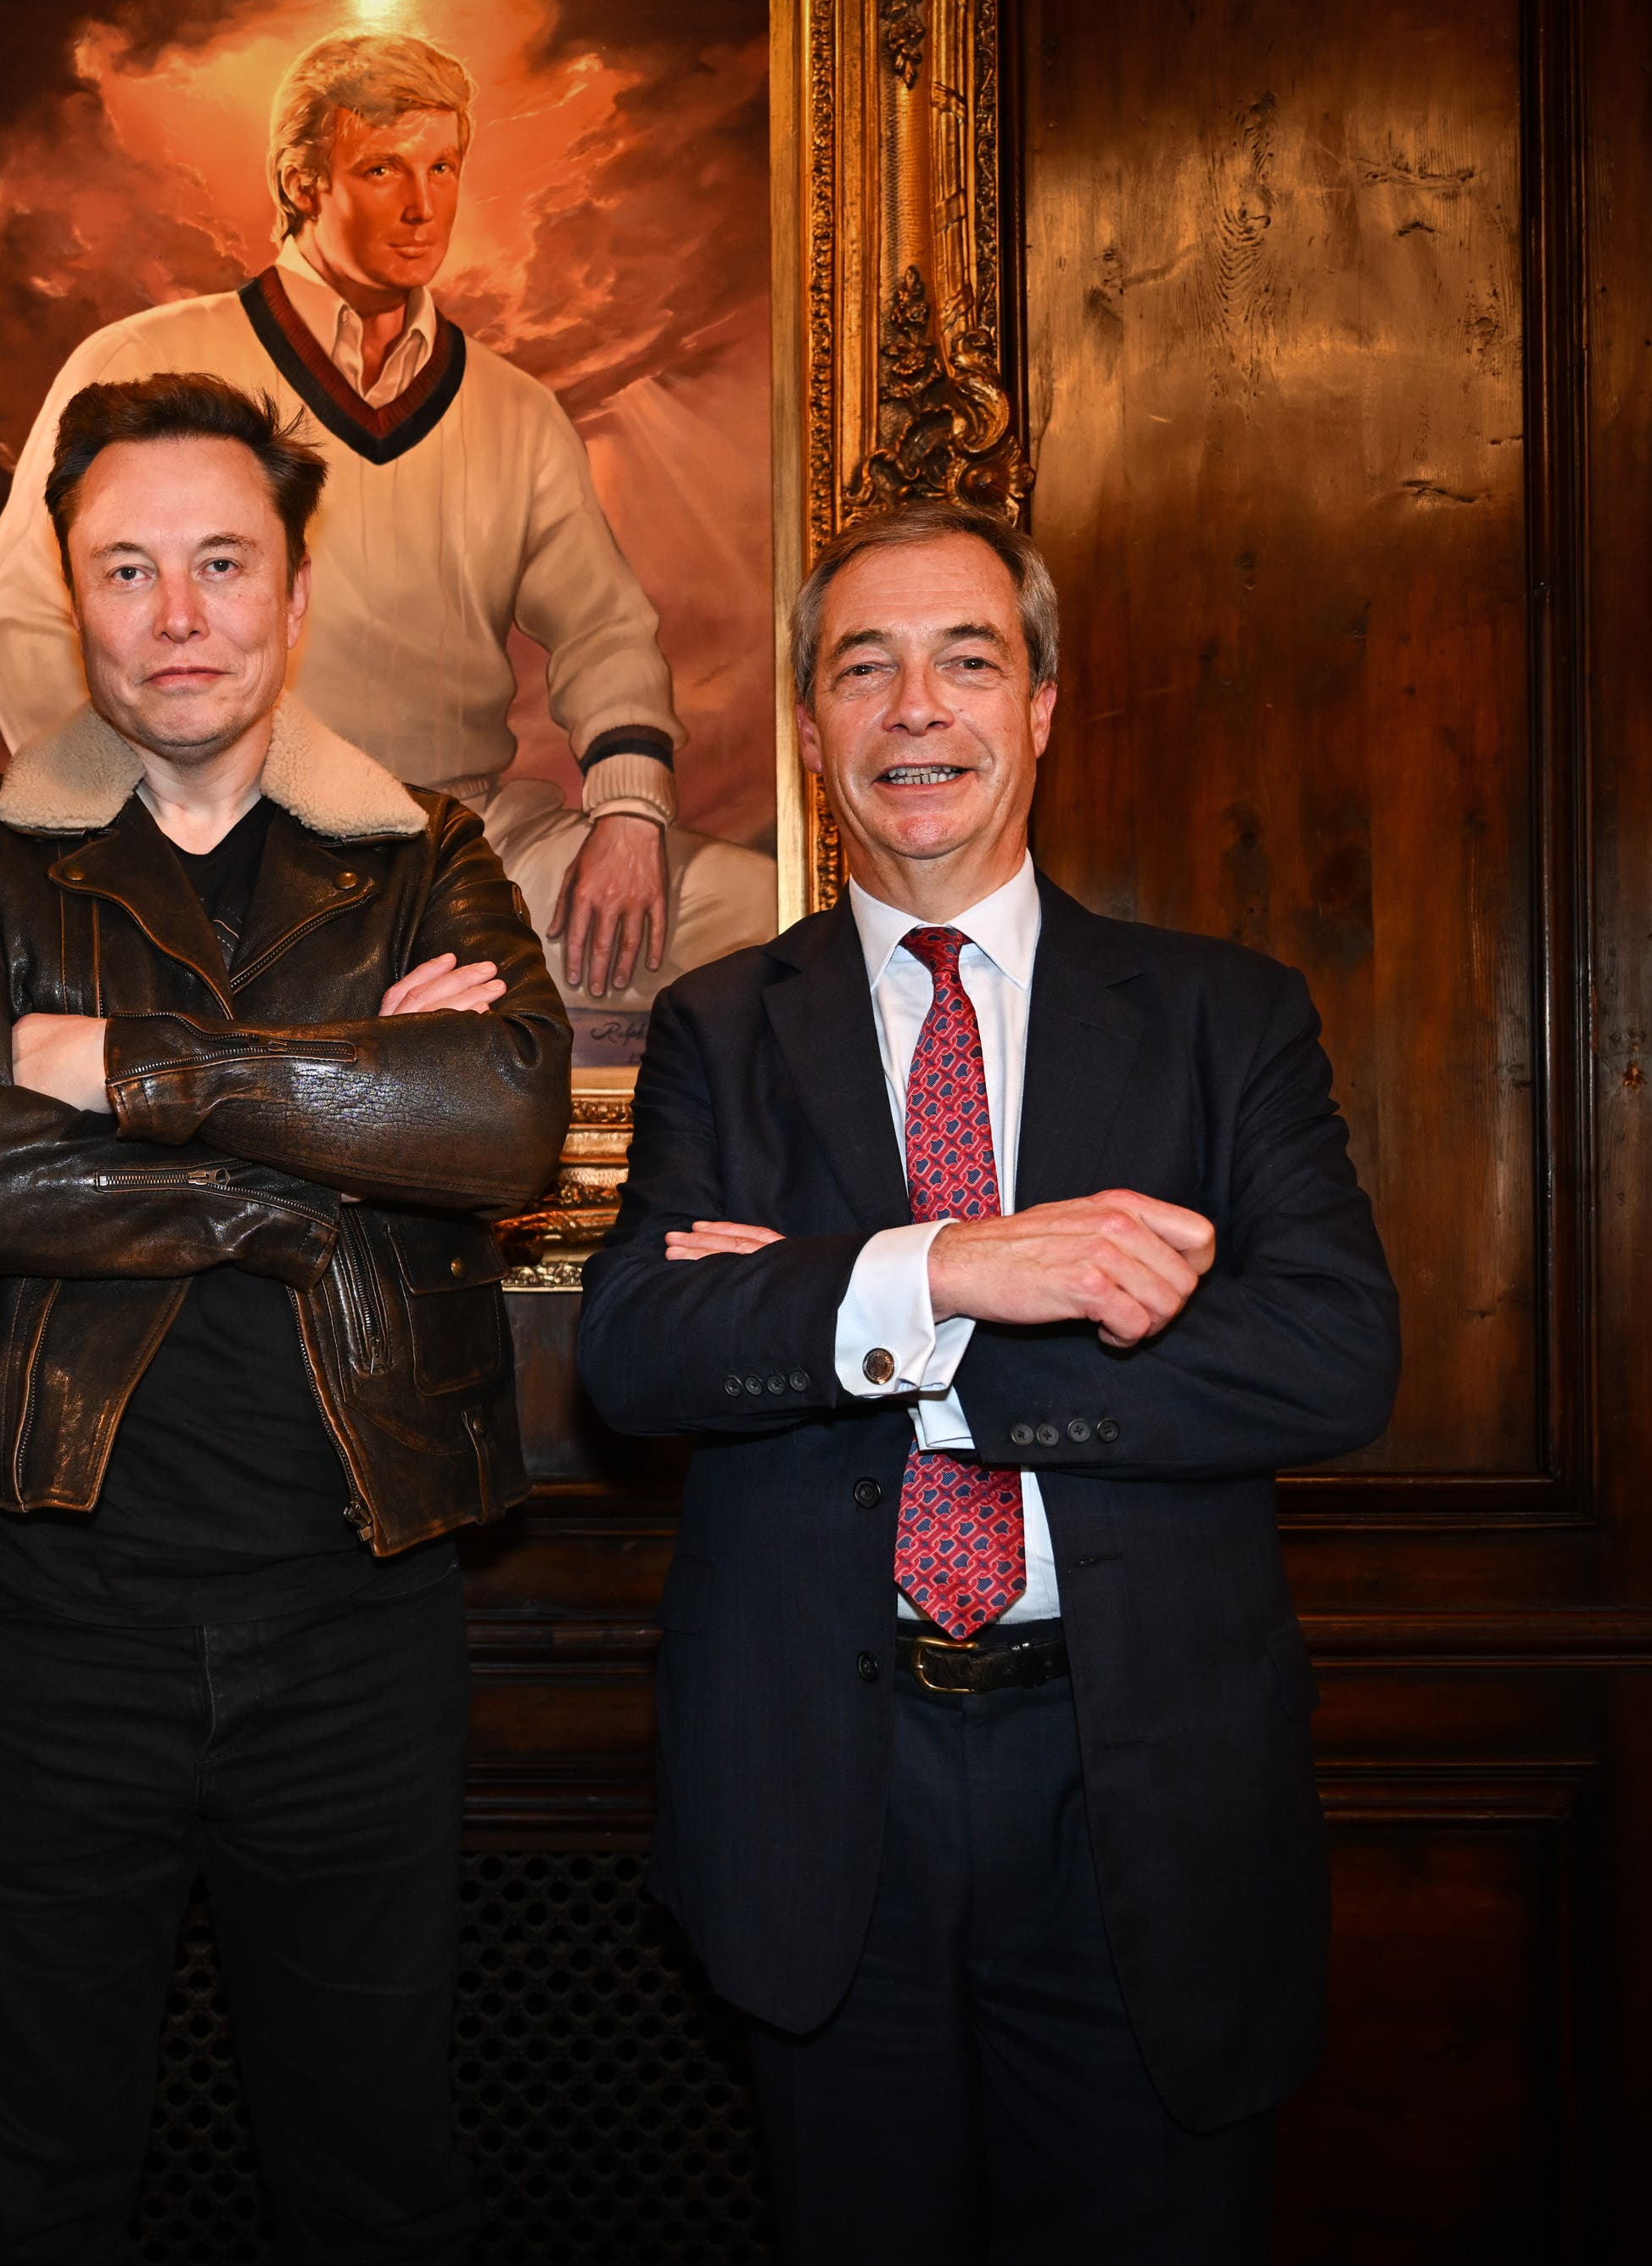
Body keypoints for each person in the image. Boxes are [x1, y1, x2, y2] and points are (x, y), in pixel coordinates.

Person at [575, 502, 1401, 2261]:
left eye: (967, 659)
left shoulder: (1221, 1018)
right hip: (823, 1788)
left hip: (1143, 1795)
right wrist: (957, 1263)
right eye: (861, 668)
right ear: (810, 728)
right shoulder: (721, 1026)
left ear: (1041, 707)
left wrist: (861, 1324)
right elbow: (643, 1348)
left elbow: (1333, 1360)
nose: (914, 709)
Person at [0, 370, 573, 2263]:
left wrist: (125, 1064)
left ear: (297, 590)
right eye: (128, 570)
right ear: (71, 601)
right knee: (34, 2184)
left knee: (376, 2178)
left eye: (223, 563)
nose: (177, 614)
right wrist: (318, 1151)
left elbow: (496, 1120)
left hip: (359, 1624)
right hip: (42, 1628)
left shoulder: (429, 851)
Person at [0, 25, 775, 1035]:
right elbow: (14, 607)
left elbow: (605, 628)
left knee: (769, 920)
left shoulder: (513, 408)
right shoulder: (148, 359)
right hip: (219, 847)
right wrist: (140, 829)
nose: (423, 202)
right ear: (303, 182)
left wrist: (626, 811)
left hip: (474, 841)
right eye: (383, 167)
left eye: (443, 166)